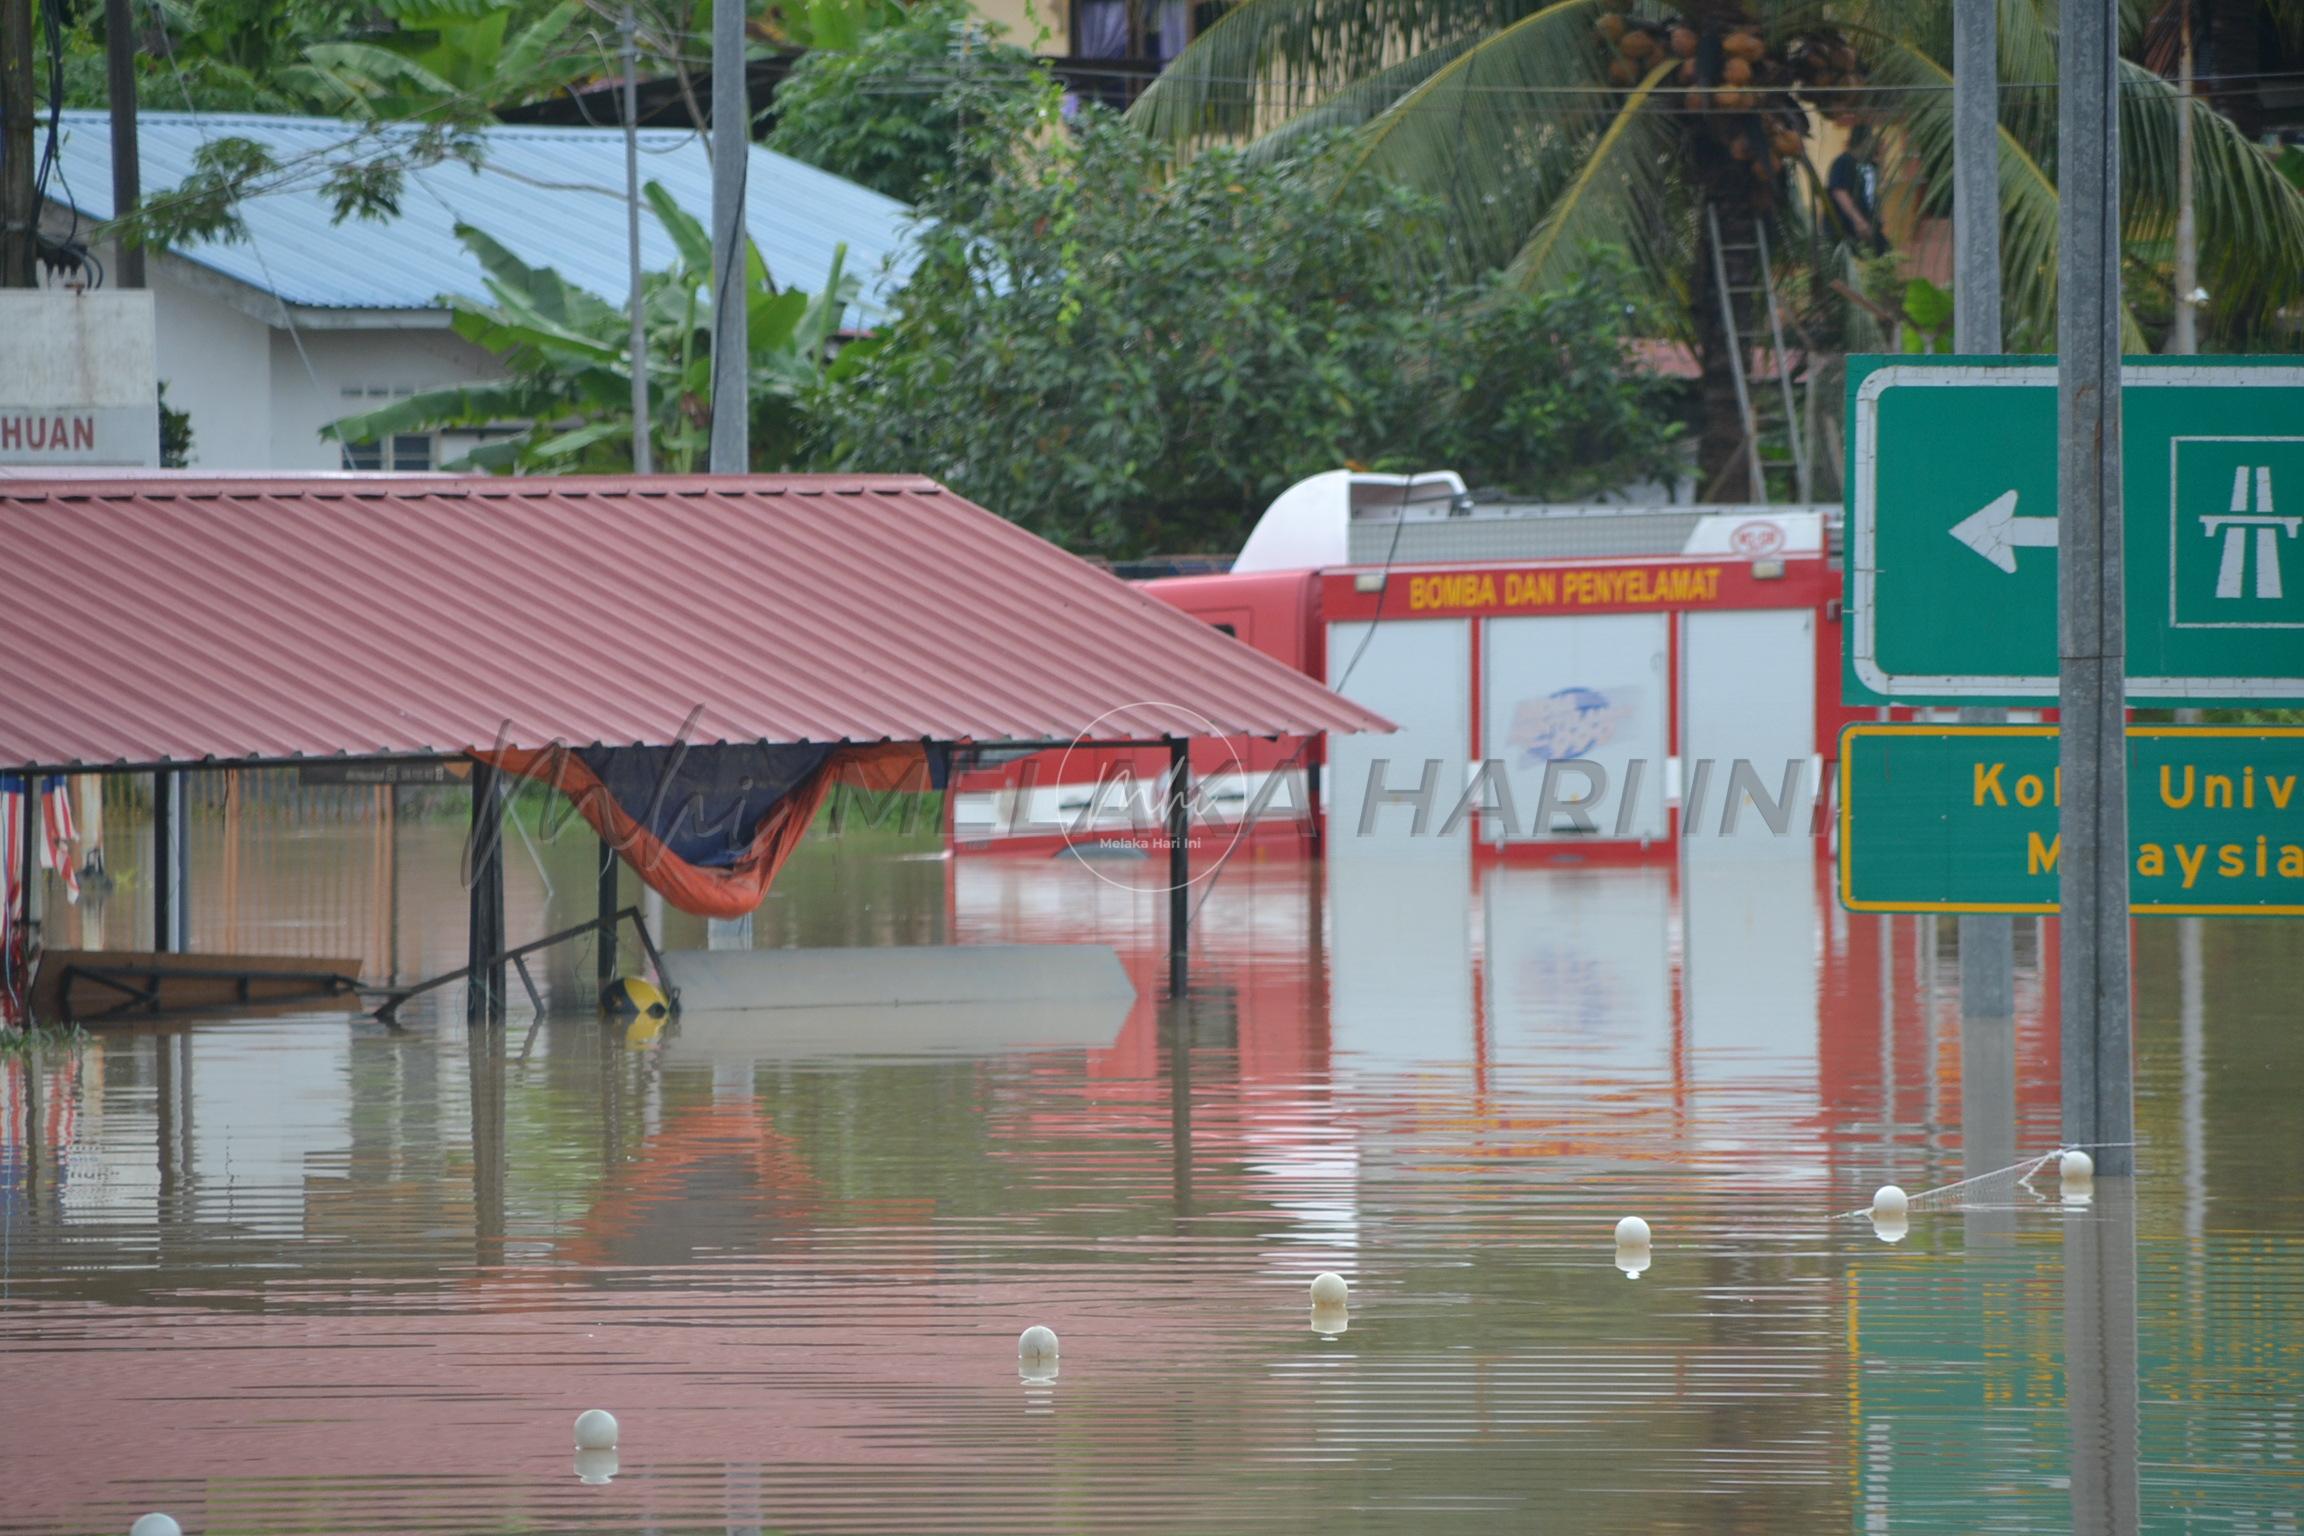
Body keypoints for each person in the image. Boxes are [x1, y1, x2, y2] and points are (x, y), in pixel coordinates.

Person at [1828, 123, 1889, 256]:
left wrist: (1882, 160)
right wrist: (1859, 221)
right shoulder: (1843, 162)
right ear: (1864, 142)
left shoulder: (1867, 165)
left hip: (1868, 225)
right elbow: (1839, 192)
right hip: (1847, 229)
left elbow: (1877, 190)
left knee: (1886, 256)